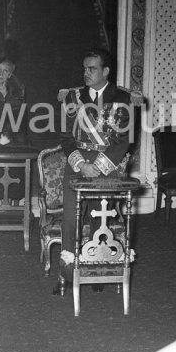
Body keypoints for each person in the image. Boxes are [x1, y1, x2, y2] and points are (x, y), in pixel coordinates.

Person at [54, 48, 134, 296]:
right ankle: (66, 274)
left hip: (107, 163)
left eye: (92, 69)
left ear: (106, 71)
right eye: (84, 68)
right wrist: (81, 164)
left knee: (100, 218)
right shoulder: (72, 98)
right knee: (70, 220)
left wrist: (98, 166)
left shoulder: (123, 98)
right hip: (78, 163)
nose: (86, 73)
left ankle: (98, 267)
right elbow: (66, 137)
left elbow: (124, 140)